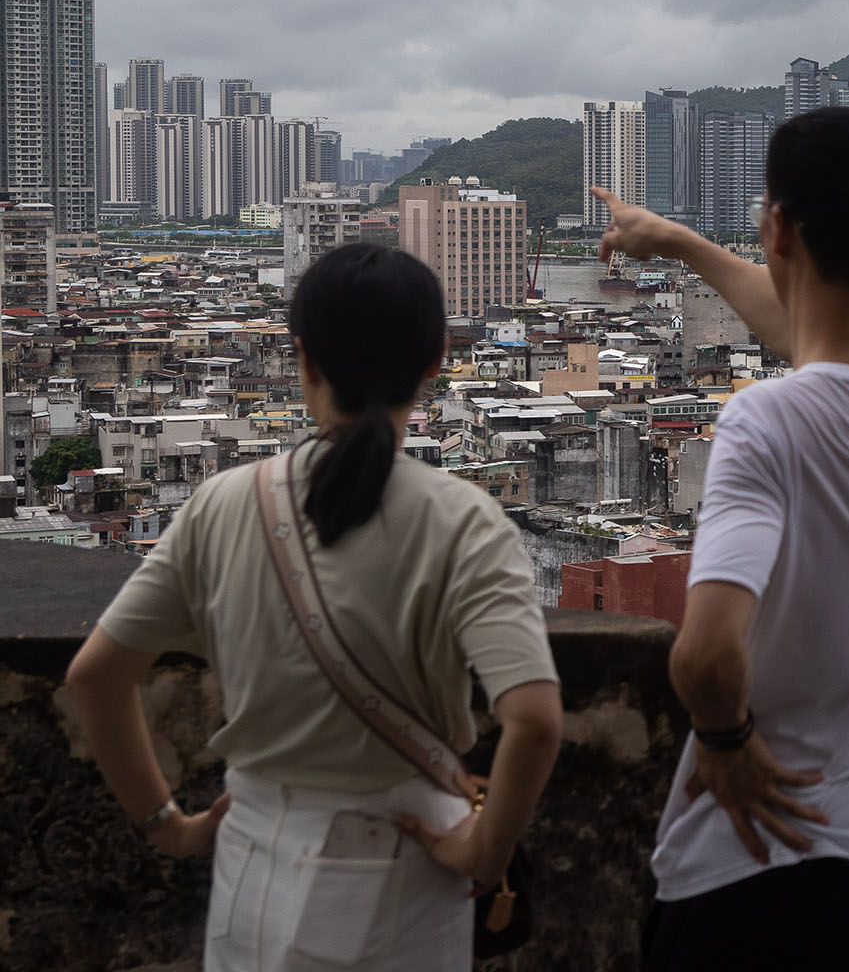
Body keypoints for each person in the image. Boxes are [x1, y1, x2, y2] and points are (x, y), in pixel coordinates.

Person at [66, 244, 563, 972]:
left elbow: (96, 677)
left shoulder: (223, 503)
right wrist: (484, 852)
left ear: (302, 359)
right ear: (435, 361)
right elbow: (536, 720)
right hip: (406, 856)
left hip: (254, 853)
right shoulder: (463, 518)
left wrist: (168, 826)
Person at [592, 105, 849, 972]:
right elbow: (820, 341)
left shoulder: (765, 422)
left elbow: (704, 658)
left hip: (758, 864)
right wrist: (683, 245)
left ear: (777, 226)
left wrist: (729, 745)